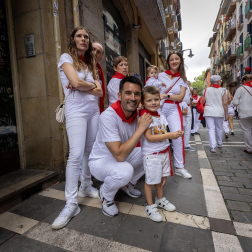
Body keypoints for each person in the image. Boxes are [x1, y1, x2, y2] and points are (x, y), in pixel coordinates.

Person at [52, 27, 103, 229]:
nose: (83, 39)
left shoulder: (91, 63)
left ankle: (86, 186)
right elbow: (73, 81)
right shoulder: (66, 58)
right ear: (73, 39)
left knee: (89, 151)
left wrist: (83, 84)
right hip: (76, 110)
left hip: (93, 111)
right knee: (75, 154)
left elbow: (99, 92)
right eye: (79, 36)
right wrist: (85, 84)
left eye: (86, 37)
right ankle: (71, 204)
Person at [89, 76, 153, 217]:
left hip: (120, 157)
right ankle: (105, 194)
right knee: (125, 170)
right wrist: (140, 128)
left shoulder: (138, 115)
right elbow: (119, 155)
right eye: (128, 93)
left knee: (150, 154)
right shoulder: (108, 116)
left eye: (137, 94)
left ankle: (126, 184)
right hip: (100, 162)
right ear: (119, 95)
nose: (133, 97)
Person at [140, 86, 182, 222]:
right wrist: (170, 135)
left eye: (156, 99)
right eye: (149, 100)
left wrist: (173, 135)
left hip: (163, 152)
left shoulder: (161, 115)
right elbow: (150, 138)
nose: (153, 103)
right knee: (150, 180)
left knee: (160, 179)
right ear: (143, 102)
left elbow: (162, 132)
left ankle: (159, 199)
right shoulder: (145, 117)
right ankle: (150, 205)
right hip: (152, 155)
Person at [158, 50, 192, 179]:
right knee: (158, 135)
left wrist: (166, 95)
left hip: (173, 108)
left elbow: (181, 97)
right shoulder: (160, 75)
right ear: (168, 62)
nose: (174, 61)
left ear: (180, 61)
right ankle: (157, 165)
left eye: (176, 59)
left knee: (177, 136)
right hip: (159, 107)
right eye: (171, 59)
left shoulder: (182, 79)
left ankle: (179, 167)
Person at [203, 75, 228, 153]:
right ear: (218, 81)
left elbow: (203, 101)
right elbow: (225, 103)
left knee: (211, 129)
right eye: (220, 80)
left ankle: (213, 147)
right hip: (219, 111)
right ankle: (219, 143)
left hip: (208, 111)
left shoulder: (205, 90)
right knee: (219, 128)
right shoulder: (223, 90)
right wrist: (226, 113)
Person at [232, 75, 252, 154]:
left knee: (247, 130)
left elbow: (235, 102)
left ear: (244, 81)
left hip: (245, 112)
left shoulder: (241, 89)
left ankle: (249, 148)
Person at [181, 82, 196, 151]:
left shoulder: (187, 88)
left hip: (187, 106)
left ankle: (186, 144)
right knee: (182, 126)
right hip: (181, 105)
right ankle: (179, 144)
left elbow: (189, 98)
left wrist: (189, 107)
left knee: (188, 127)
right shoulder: (178, 84)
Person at [93, 41, 106, 113]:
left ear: (101, 58)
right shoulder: (78, 66)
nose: (94, 53)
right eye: (93, 49)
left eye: (98, 52)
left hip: (96, 110)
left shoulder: (100, 72)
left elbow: (101, 94)